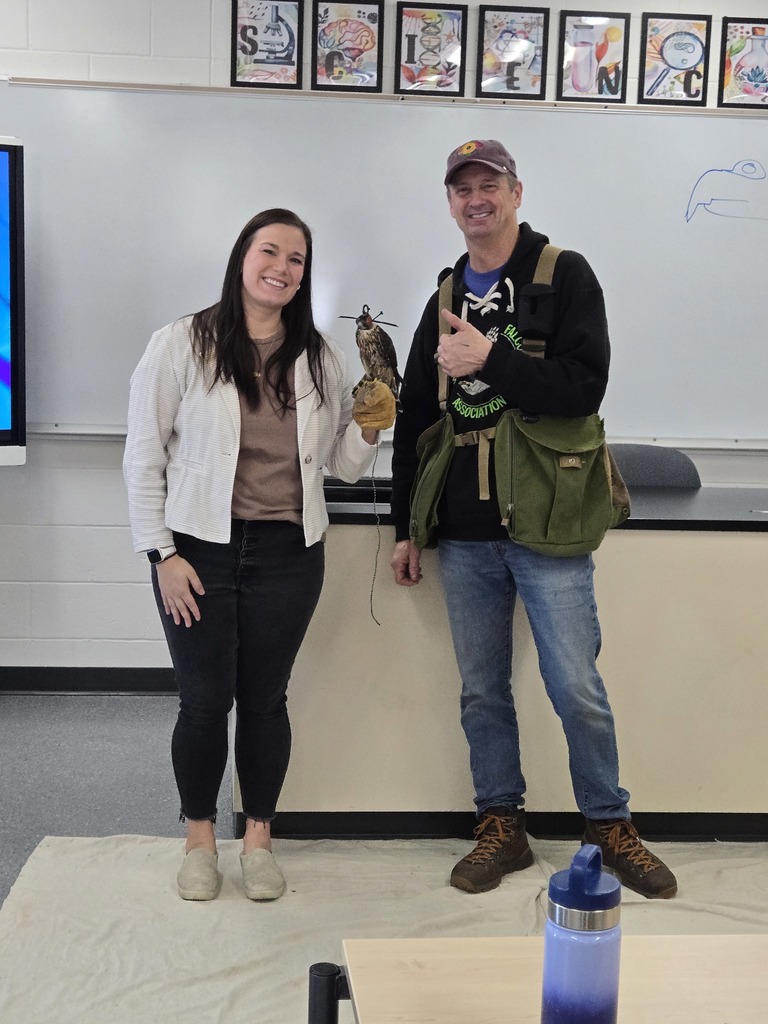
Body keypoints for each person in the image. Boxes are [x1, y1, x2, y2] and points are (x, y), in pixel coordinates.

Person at [389, 140, 677, 900]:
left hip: (548, 521)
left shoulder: (563, 275)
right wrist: (403, 526)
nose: (475, 199)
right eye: (461, 189)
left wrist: (490, 359)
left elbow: (583, 388)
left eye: (489, 185)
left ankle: (609, 826)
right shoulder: (444, 293)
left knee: (575, 683)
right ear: (450, 203)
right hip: (467, 526)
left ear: (516, 191)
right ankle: (501, 825)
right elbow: (417, 411)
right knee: (482, 689)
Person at [124, 208, 394, 902]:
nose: (281, 267)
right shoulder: (182, 343)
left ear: (305, 275)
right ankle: (198, 840)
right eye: (269, 251)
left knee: (266, 702)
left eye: (296, 259)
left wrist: (373, 427)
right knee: (204, 702)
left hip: (288, 554)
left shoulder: (320, 358)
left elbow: (344, 466)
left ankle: (259, 841)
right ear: (242, 258)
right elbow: (143, 458)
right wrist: (161, 554)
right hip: (198, 554)